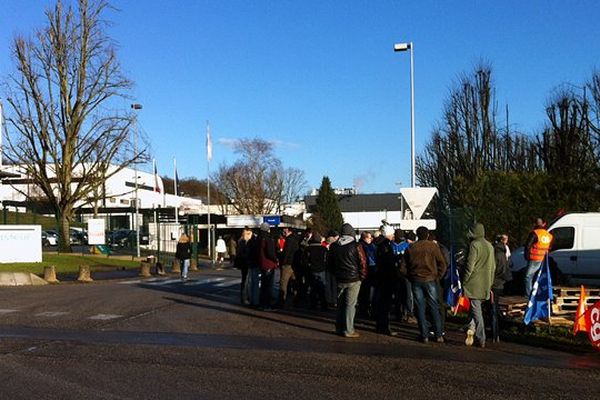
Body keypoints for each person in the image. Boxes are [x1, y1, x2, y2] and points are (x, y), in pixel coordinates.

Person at [400, 226, 447, 343]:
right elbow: (442, 263)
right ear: (427, 235)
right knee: (434, 306)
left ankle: (424, 335)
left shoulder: (411, 248)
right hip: (431, 279)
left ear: (417, 235)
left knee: (419, 307)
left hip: (416, 279)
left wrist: (410, 277)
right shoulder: (433, 246)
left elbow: (402, 268)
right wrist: (438, 276)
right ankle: (438, 334)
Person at [328, 223, 367, 338]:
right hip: (354, 279)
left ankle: (339, 327)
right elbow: (362, 262)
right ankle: (349, 329)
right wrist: (362, 276)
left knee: (340, 304)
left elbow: (330, 264)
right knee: (350, 305)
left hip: (340, 279)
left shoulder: (334, 246)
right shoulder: (356, 245)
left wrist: (335, 275)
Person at [462, 223, 496, 348]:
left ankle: (481, 337)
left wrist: (464, 280)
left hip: (474, 283)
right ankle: (471, 328)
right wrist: (490, 282)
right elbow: (493, 267)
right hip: (486, 282)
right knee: (474, 307)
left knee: (476, 311)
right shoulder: (490, 246)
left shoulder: (474, 245)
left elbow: (469, 266)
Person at [374, 225, 400, 335]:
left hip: (380, 276)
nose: (393, 236)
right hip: (387, 277)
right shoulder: (386, 246)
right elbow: (388, 263)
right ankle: (384, 327)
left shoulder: (378, 245)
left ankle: (380, 325)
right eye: (392, 234)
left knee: (381, 302)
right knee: (385, 303)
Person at [490, 236, 513, 342]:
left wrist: (491, 281)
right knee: (495, 306)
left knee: (493, 308)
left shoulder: (495, 255)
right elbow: (507, 267)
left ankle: (495, 333)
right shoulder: (503, 254)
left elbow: (493, 269)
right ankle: (497, 332)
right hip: (500, 284)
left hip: (494, 283)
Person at [523, 218, 553, 297]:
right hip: (543, 259)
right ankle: (537, 293)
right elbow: (550, 247)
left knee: (528, 276)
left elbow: (528, 245)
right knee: (538, 277)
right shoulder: (549, 235)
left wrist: (526, 256)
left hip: (534, 258)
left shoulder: (534, 233)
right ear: (544, 224)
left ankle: (529, 295)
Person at [303, 232, 328, 310]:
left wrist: (308, 265)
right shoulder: (324, 249)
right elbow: (326, 260)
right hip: (322, 270)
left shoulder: (308, 249)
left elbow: (304, 261)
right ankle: (324, 305)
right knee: (322, 288)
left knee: (313, 288)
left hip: (311, 270)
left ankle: (313, 305)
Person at [256, 223, 279, 310]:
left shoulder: (259, 238)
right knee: (268, 285)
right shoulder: (268, 239)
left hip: (262, 263)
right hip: (269, 264)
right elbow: (270, 252)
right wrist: (275, 259)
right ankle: (267, 305)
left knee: (263, 285)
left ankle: (262, 304)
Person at [278, 227, 299, 308]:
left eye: (285, 230)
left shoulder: (289, 240)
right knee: (295, 282)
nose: (283, 231)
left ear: (289, 231)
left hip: (287, 264)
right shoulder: (296, 238)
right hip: (294, 264)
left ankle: (281, 301)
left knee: (283, 283)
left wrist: (283, 262)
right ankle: (296, 299)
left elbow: (286, 253)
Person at [358, 231, 377, 317]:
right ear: (365, 238)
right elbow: (370, 258)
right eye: (370, 238)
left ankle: (363, 309)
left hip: (365, 270)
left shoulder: (361, 245)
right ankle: (365, 309)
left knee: (364, 292)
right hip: (369, 269)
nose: (371, 239)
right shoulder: (366, 246)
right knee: (367, 291)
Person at [235, 228, 253, 305]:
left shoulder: (242, 242)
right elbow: (243, 254)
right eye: (248, 234)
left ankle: (246, 297)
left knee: (246, 281)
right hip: (245, 263)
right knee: (246, 281)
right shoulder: (243, 242)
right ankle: (245, 298)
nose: (250, 235)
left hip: (245, 263)